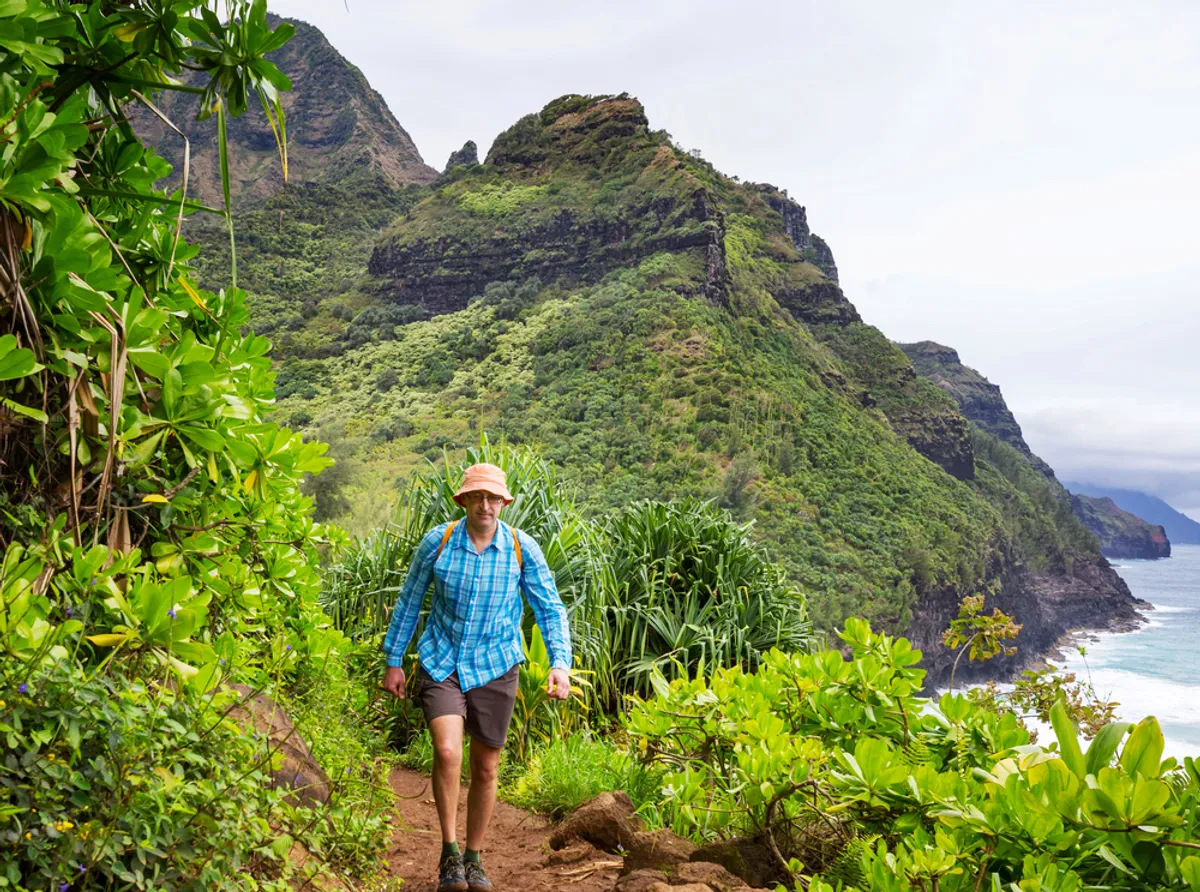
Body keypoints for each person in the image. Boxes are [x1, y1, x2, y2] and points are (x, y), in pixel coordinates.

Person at [381, 462, 572, 892]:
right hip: (442, 659)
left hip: (496, 664)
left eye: (493, 498)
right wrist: (394, 659)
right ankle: (449, 853)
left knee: (486, 767)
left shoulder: (521, 548)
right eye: (477, 496)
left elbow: (550, 608)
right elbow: (409, 600)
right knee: (448, 751)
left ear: (504, 503)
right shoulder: (439, 542)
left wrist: (560, 663)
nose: (485, 505)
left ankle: (474, 857)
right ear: (464, 500)